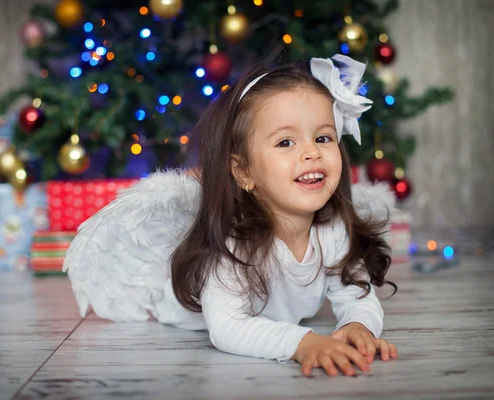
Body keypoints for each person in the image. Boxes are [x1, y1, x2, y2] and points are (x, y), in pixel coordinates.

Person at [63, 54, 399, 377]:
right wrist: (301, 342)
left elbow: (356, 294)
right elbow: (228, 328)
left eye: (322, 137)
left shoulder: (332, 229)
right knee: (164, 289)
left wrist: (358, 325)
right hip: (180, 303)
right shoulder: (234, 243)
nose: (312, 152)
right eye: (285, 143)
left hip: (256, 307)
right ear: (243, 171)